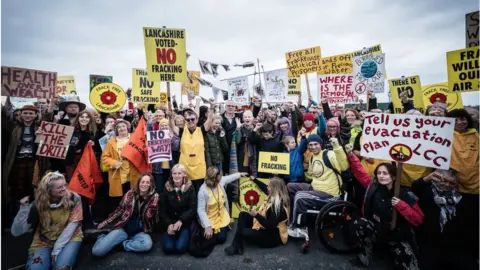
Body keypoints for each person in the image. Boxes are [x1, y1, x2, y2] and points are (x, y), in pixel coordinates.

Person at [346, 145, 424, 269]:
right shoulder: (373, 186)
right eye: (379, 173)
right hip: (377, 230)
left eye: (385, 173)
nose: (381, 176)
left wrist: (401, 205)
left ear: (393, 176)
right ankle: (365, 256)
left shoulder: (405, 193)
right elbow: (360, 172)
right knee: (357, 223)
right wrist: (351, 155)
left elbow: (418, 219)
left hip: (397, 236)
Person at [11, 172, 83, 270]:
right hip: (44, 240)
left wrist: (56, 250)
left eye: (65, 185)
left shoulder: (74, 198)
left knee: (62, 268)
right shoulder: (37, 205)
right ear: (49, 190)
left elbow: (72, 226)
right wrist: (23, 210)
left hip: (70, 237)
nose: (64, 189)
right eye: (59, 187)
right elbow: (16, 232)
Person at [411, 169, 478, 270]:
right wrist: (427, 178)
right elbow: (413, 189)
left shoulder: (460, 199)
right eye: (444, 181)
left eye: (451, 182)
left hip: (454, 246)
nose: (447, 184)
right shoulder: (427, 192)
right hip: (430, 243)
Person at [287, 135, 349, 235]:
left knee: (299, 196)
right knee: (290, 186)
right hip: (316, 188)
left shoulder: (330, 154)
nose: (313, 147)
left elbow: (344, 166)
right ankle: (300, 216)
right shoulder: (312, 157)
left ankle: (299, 226)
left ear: (321, 144)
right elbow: (309, 176)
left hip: (330, 194)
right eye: (310, 145)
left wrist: (337, 147)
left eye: (316, 144)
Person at [92, 173, 159, 257]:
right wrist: (105, 222)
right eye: (142, 182)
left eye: (147, 182)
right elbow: (119, 210)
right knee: (97, 251)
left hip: (140, 232)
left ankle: (123, 244)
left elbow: (152, 216)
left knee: (147, 245)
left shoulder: (154, 197)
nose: (144, 184)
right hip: (124, 229)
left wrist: (148, 199)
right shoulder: (130, 194)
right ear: (139, 183)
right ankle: (102, 237)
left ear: (151, 184)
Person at [224, 176, 290, 255]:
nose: (267, 187)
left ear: (274, 189)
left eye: (269, 186)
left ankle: (237, 244)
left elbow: (270, 227)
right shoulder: (274, 195)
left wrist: (256, 215)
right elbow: (264, 187)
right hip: (264, 226)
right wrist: (254, 179)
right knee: (242, 214)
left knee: (243, 232)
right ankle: (236, 244)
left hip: (272, 237)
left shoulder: (277, 207)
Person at [197, 168, 246, 247]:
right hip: (210, 217)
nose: (221, 176)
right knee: (208, 237)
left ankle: (224, 228)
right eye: (219, 175)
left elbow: (229, 178)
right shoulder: (203, 191)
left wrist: (239, 174)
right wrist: (207, 226)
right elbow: (201, 210)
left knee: (221, 239)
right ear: (215, 178)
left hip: (222, 215)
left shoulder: (220, 182)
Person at [2, 104, 40, 204]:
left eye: (31, 113)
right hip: (16, 161)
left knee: (33, 186)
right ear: (21, 115)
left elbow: (49, 118)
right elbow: (3, 116)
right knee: (17, 187)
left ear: (36, 115)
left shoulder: (40, 128)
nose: (28, 115)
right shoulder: (13, 126)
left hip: (33, 162)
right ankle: (16, 211)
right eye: (25, 113)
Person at [160, 164, 197, 255]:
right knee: (168, 248)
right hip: (170, 222)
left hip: (184, 223)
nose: (176, 176)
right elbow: (162, 209)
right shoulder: (166, 187)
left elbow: (193, 208)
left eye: (179, 173)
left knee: (180, 248)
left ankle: (184, 235)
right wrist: (168, 224)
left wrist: (181, 220)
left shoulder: (190, 188)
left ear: (184, 174)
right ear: (171, 175)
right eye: (174, 173)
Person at [170, 109, 210, 192]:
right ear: (185, 121)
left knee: (199, 192)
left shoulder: (201, 130)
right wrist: (170, 117)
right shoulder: (181, 131)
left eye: (192, 119)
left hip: (199, 168)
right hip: (185, 168)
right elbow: (173, 127)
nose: (190, 121)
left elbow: (209, 120)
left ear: (197, 120)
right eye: (188, 119)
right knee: (186, 193)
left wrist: (212, 109)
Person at [100, 119, 140, 201]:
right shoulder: (111, 141)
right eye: (119, 127)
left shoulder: (135, 137)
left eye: (123, 126)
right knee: (120, 200)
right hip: (119, 175)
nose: (121, 128)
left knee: (134, 198)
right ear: (116, 130)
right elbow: (104, 157)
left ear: (127, 127)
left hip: (134, 173)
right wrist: (114, 163)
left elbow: (143, 150)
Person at [65, 110, 96, 180]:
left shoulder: (93, 132)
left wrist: (93, 144)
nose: (84, 119)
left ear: (90, 119)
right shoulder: (71, 130)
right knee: (72, 182)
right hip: (71, 161)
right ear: (78, 118)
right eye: (82, 117)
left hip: (85, 162)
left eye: (87, 117)